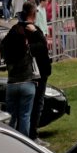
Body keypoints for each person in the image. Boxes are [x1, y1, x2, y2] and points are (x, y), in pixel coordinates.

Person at [0, 3, 39, 137]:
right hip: (27, 82)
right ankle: (25, 141)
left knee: (11, 116)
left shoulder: (10, 52)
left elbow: (3, 44)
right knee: (25, 116)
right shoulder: (26, 50)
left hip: (12, 83)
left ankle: (10, 139)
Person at [26, 7, 53, 140]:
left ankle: (29, 133)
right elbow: (43, 45)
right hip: (37, 72)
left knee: (30, 104)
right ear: (33, 14)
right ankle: (33, 134)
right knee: (37, 104)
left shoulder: (18, 29)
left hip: (28, 72)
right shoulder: (32, 29)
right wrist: (37, 33)